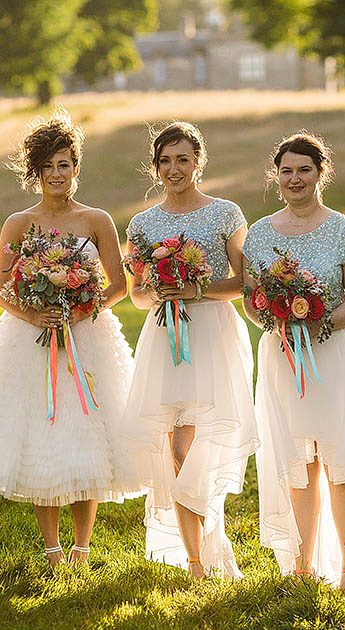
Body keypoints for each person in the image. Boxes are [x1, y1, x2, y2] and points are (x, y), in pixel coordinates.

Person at [0, 109, 141, 567]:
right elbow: (0, 289)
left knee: (88, 436)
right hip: (33, 341)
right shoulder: (18, 224)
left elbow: (118, 285)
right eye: (47, 167)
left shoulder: (97, 220)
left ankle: (82, 547)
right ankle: (52, 549)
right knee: (43, 435)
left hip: (87, 338)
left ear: (76, 168)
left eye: (64, 164)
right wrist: (34, 313)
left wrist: (84, 308)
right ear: (34, 172)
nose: (56, 174)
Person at [241, 130, 345, 589]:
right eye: (286, 171)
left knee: (342, 462)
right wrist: (275, 322)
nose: (295, 179)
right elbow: (251, 299)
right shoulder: (259, 234)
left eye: (304, 170)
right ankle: (301, 566)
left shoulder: (344, 230)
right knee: (297, 463)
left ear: (321, 174)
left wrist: (320, 326)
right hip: (283, 357)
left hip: (336, 356)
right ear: (275, 176)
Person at [122, 122, 258, 579]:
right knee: (175, 449)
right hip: (165, 337)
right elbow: (137, 294)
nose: (174, 169)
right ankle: (196, 560)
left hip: (212, 335)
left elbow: (242, 283)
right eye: (165, 161)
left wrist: (192, 288)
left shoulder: (225, 213)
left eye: (183, 159)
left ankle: (209, 540)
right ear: (155, 167)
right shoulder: (143, 224)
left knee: (200, 445)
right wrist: (161, 291)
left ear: (198, 162)